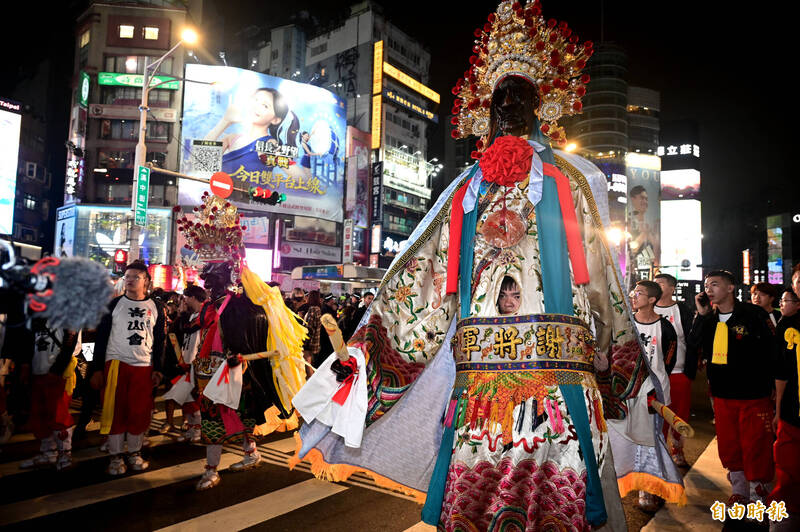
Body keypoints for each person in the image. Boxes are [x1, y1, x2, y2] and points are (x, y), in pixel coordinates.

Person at [291, 3, 679, 529]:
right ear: (490, 109)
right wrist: (364, 355)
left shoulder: (576, 177)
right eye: (503, 98)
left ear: (540, 107)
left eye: (521, 96)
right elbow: (421, 280)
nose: (511, 107)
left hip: (557, 385)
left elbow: (603, 282)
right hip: (481, 389)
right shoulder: (466, 188)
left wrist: (624, 359)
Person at [689, 270, 775, 506]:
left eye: (715, 284)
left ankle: (760, 495)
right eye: (707, 285)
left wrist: (774, 386)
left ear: (730, 288)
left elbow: (771, 351)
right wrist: (702, 314)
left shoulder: (753, 314)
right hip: (721, 393)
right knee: (729, 445)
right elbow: (694, 344)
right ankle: (740, 491)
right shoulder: (709, 319)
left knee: (756, 444)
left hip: (753, 393)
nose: (709, 289)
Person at [90, 260, 166, 476]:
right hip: (116, 364)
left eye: (136, 277)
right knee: (115, 411)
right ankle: (115, 457)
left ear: (147, 281)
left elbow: (160, 340)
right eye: (128, 276)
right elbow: (101, 338)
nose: (130, 280)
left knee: (139, 412)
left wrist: (158, 368)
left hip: (143, 366)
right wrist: (96, 369)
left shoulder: (156, 307)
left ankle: (134, 452)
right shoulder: (113, 305)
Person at [608, 280, 678, 512]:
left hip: (653, 394)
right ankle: (632, 481)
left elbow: (668, 362)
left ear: (652, 300)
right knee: (627, 436)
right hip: (628, 392)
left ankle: (651, 487)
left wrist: (653, 387)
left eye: (639, 293)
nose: (633, 296)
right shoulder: (626, 326)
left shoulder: (665, 328)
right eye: (633, 292)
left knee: (652, 439)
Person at [20, 319, 81, 471]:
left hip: (56, 373)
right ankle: (48, 452)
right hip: (37, 371)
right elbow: (28, 340)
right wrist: (26, 365)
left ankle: (64, 455)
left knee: (58, 415)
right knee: (39, 415)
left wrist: (57, 370)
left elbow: (71, 344)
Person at [653, 272, 697, 467]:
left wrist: (692, 367)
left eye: (661, 284)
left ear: (672, 288)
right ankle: (659, 454)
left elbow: (693, 339)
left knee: (679, 416)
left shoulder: (681, 310)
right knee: (657, 417)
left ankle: (677, 449)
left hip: (678, 373)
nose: (657, 287)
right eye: (655, 284)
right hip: (653, 376)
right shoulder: (646, 308)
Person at [205, 87, 300, 175]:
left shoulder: (268, 144)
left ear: (275, 120)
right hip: (218, 191)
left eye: (265, 106)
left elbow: (302, 179)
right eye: (255, 100)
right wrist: (225, 122)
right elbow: (202, 163)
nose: (256, 106)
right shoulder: (232, 138)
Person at [770, 266, 800, 524]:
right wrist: (778, 411)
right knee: (788, 471)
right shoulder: (788, 325)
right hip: (793, 412)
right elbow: (782, 373)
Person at [302, 291, 323, 374]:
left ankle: (310, 381)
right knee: (309, 361)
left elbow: (310, 327)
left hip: (309, 341)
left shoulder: (313, 309)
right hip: (315, 340)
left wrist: (305, 340)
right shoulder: (318, 309)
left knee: (307, 362)